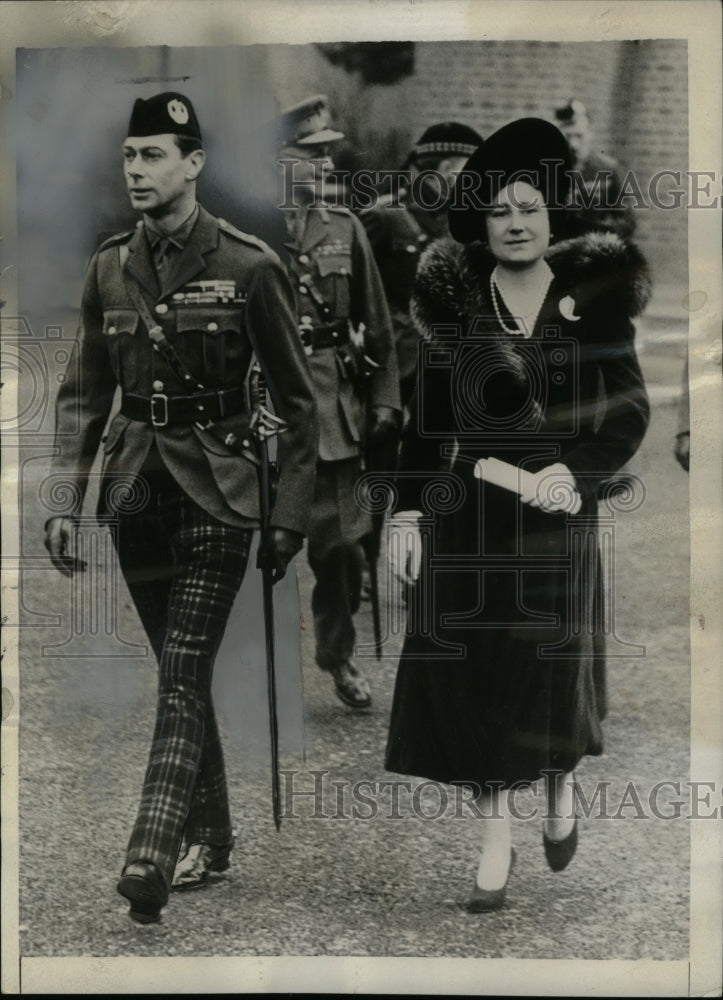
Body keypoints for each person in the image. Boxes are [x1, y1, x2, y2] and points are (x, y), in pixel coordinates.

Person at [44, 92, 318, 923]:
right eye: (130, 156)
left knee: (185, 669)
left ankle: (151, 851)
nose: (137, 170)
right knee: (177, 672)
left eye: (154, 155)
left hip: (221, 492)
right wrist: (66, 496)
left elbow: (301, 405)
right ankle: (215, 836)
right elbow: (83, 393)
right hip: (136, 492)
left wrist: (289, 516)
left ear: (193, 164)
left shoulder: (249, 265)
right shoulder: (107, 267)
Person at [386, 118, 651, 910]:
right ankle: (494, 840)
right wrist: (405, 516)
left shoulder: (591, 305)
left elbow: (628, 410)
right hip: (471, 515)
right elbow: (427, 424)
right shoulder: (456, 307)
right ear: (480, 221)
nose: (514, 222)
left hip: (557, 512)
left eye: (529, 207)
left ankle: (561, 784)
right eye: (499, 209)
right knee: (476, 677)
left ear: (553, 215)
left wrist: (578, 472)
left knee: (549, 669)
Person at [275, 94, 401, 709]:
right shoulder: (242, 231)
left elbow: (376, 322)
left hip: (332, 416)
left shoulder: (345, 228)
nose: (328, 163)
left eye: (330, 151)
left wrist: (384, 399)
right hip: (264, 417)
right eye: (312, 153)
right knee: (243, 555)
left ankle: (338, 654)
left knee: (343, 550)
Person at [360, 122, 484, 409]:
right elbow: (356, 286)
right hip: (395, 365)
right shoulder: (385, 215)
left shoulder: (459, 218)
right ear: (446, 170)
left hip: (447, 365)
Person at [554, 98, 636, 239]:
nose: (573, 144)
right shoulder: (548, 169)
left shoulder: (607, 169)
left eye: (579, 136)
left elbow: (627, 222)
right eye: (567, 136)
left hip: (590, 250)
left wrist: (597, 228)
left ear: (590, 134)